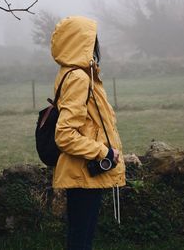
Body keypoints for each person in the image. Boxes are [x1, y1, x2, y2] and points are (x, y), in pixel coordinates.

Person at [51, 16, 126, 250]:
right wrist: (103, 151)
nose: (96, 44)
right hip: (84, 172)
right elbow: (64, 134)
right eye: (92, 39)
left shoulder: (73, 73)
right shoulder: (78, 77)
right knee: (81, 241)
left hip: (84, 173)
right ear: (81, 43)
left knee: (80, 238)